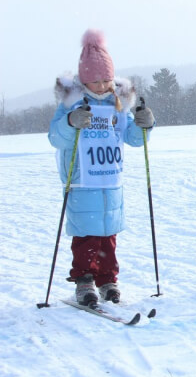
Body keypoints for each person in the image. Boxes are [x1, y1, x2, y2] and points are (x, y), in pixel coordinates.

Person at [48, 29, 155, 306]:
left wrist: (145, 124)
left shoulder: (118, 104)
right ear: (84, 80)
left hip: (110, 180)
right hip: (83, 181)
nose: (102, 85)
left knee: (108, 235)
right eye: (95, 80)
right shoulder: (72, 103)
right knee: (86, 236)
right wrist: (72, 121)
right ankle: (84, 280)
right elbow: (56, 138)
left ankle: (108, 278)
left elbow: (132, 138)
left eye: (106, 79)